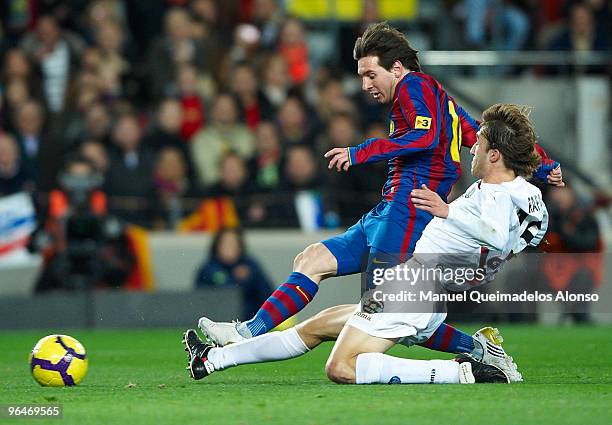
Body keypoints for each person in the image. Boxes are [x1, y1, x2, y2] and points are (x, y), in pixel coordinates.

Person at [198, 22, 563, 360]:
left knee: (382, 314)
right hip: (388, 210)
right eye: (361, 76)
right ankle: (247, 331)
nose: (365, 85)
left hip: (408, 213)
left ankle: (476, 351)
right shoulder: (435, 97)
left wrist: (359, 152)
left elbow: (423, 138)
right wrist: (543, 167)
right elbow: (477, 133)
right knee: (313, 260)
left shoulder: (414, 87)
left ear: (398, 69)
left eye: (371, 74)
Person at [185, 104, 549, 384]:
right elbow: (527, 234)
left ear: (495, 155)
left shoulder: (498, 196)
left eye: (478, 146)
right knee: (317, 326)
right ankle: (213, 359)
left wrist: (446, 211)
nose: (472, 151)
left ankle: (462, 373)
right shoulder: (527, 195)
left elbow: (498, 235)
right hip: (419, 284)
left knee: (341, 367)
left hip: (418, 286)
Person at [195, 228, 274, 319]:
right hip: (217, 321)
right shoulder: (208, 269)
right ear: (217, 246)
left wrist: (250, 278)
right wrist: (233, 278)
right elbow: (200, 299)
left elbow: (267, 294)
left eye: (233, 244)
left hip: (249, 321)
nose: (229, 248)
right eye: (225, 244)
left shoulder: (250, 266)